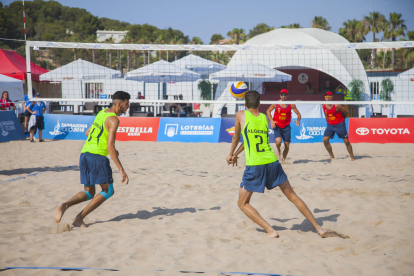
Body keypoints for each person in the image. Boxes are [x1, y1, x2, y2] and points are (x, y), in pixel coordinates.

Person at [226, 90, 342, 239]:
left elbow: (236, 137)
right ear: (260, 104)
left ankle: (271, 231)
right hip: (272, 163)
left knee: (242, 203)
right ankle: (320, 229)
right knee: (293, 196)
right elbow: (249, 140)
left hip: (255, 166)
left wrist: (230, 154)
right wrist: (236, 155)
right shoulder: (263, 118)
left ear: (244, 104)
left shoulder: (240, 115)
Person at [54, 91, 130, 227]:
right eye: (127, 103)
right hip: (97, 157)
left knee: (89, 192)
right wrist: (121, 169)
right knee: (108, 191)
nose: (128, 106)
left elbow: (88, 132)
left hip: (84, 154)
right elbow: (110, 146)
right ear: (120, 104)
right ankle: (78, 218)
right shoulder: (114, 120)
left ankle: (65, 205)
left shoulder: (102, 113)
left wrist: (105, 145)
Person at [266, 89, 301, 162]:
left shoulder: (291, 104)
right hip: (277, 126)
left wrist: (298, 120)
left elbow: (298, 113)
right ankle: (278, 150)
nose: (283, 96)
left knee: (287, 145)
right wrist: (272, 121)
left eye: (285, 95)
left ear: (288, 95)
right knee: (278, 141)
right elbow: (268, 111)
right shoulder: (276, 103)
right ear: (280, 96)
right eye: (282, 95)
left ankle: (284, 160)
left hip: (286, 127)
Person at [322, 91, 355, 161]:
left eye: (329, 97)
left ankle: (352, 157)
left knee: (346, 141)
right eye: (326, 97)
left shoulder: (337, 105)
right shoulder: (323, 105)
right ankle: (331, 156)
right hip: (330, 125)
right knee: (325, 140)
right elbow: (326, 115)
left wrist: (343, 119)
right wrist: (328, 123)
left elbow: (346, 112)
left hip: (340, 124)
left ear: (331, 97)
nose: (327, 98)